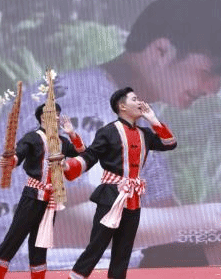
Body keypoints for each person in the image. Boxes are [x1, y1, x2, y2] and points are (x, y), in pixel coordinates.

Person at [0, 0, 221, 272]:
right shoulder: (82, 107)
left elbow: (164, 224)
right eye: (210, 72)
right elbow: (62, 224)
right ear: (161, 50)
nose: (214, 89)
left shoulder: (134, 116)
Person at [63, 87, 177, 279]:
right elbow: (91, 155)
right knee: (98, 244)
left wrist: (153, 119)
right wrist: (69, 165)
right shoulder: (108, 131)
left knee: (124, 247)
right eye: (135, 99)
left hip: (133, 197)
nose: (140, 102)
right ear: (122, 106)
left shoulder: (145, 134)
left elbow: (170, 144)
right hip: (111, 195)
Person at [0, 103, 85, 279]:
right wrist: (10, 161)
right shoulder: (33, 137)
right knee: (13, 239)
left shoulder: (62, 141)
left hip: (51, 201)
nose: (58, 117)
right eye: (54, 113)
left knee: (40, 245)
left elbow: (82, 152)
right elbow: (18, 155)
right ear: (43, 117)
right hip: (32, 196)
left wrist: (72, 134)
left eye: (59, 113)